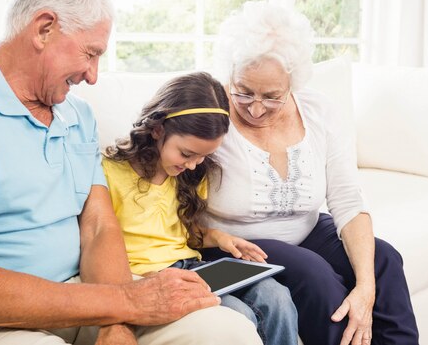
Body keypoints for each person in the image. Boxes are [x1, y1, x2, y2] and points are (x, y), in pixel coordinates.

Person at [0, 0, 263, 345]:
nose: (93, 76)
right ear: (43, 28)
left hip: (85, 295)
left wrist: (116, 321)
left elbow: (99, 226)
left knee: (229, 331)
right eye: (91, 53)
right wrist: (122, 302)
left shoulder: (77, 114)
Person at [200, 1, 420, 345]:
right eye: (243, 91)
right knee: (315, 276)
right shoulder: (209, 113)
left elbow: (347, 198)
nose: (256, 108)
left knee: (384, 259)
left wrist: (366, 288)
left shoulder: (319, 111)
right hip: (234, 245)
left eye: (272, 96)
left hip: (307, 229)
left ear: (293, 82)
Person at [103, 71, 299, 345]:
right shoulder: (109, 173)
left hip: (192, 266)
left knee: (276, 295)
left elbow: (185, 232)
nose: (194, 164)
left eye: (203, 156)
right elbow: (97, 243)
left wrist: (220, 238)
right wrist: (137, 280)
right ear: (157, 129)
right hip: (146, 276)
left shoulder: (190, 173)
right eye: (186, 153)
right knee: (239, 315)